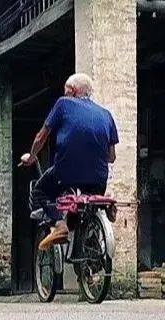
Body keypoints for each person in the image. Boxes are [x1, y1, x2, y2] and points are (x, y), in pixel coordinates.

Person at [20, 73, 119, 251]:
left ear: (72, 91)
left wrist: (32, 156)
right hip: (98, 179)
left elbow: (41, 136)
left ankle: (59, 225)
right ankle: (89, 244)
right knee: (83, 208)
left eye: (66, 90)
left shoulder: (63, 104)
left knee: (39, 191)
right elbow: (111, 157)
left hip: (66, 173)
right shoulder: (106, 114)